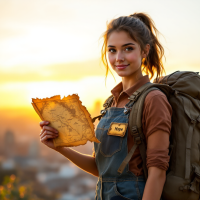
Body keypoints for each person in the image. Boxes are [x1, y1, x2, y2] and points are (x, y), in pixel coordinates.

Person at [39, 13, 172, 200]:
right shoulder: (111, 102)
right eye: (112, 50)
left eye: (128, 48)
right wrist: (59, 147)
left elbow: (157, 173)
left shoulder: (153, 99)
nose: (119, 57)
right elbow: (100, 169)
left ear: (144, 51)